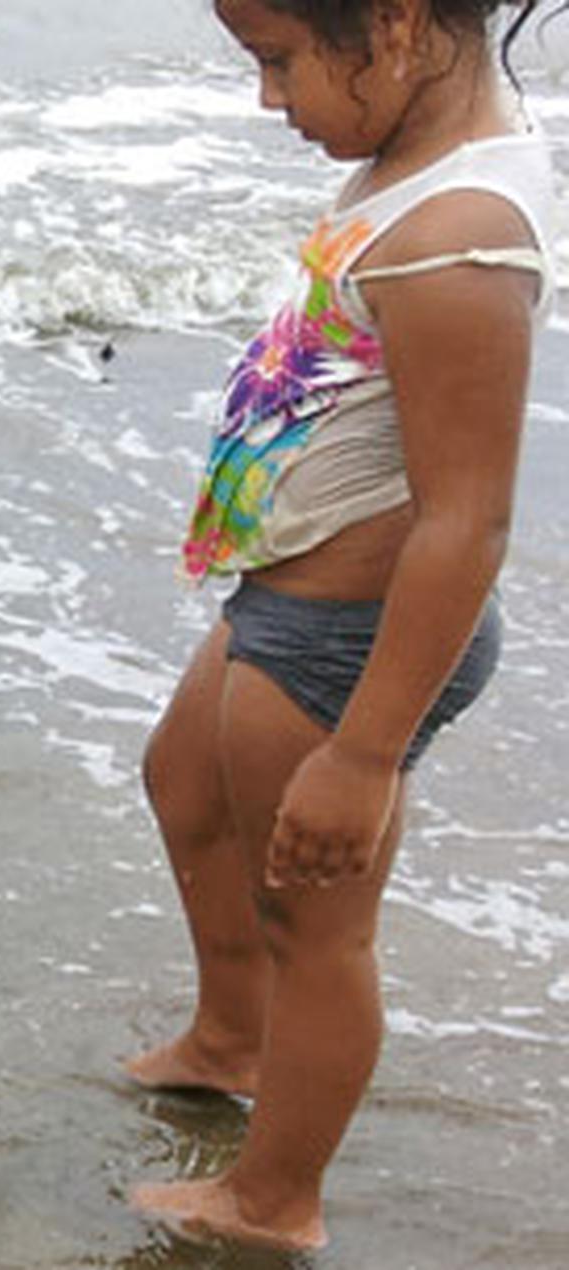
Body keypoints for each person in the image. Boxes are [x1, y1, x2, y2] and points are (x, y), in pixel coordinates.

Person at [125, 0, 560, 1251]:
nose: (270, 99)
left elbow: (466, 522)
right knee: (182, 784)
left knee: (313, 925)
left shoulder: (460, 237)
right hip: (292, 600)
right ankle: (230, 1038)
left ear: (400, 25)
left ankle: (273, 1196)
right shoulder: (413, 163)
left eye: (279, 61)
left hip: (349, 640)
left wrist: (363, 753)